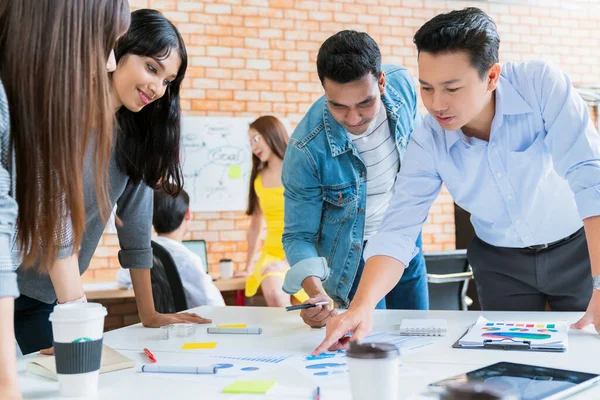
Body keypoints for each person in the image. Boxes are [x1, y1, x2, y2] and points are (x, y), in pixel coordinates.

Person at [316, 7, 600, 355]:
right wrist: (361, 307)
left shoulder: (541, 85)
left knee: (589, 354)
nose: (437, 104)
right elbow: (398, 229)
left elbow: (590, 178)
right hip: (500, 263)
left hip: (580, 251)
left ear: (492, 76)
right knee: (508, 367)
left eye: (452, 88)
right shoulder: (427, 139)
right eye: (426, 87)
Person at [15, 9, 211, 356]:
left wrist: (149, 313)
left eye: (167, 81)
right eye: (151, 67)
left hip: (46, 299)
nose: (157, 87)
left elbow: (137, 231)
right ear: (117, 50)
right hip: (12, 283)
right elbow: (54, 225)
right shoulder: (62, 114)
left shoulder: (135, 139)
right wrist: (76, 314)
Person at [0, 0, 130, 396]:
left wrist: (77, 311)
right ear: (61, 29)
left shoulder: (28, 106)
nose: (109, 63)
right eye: (104, 42)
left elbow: (53, 210)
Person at [281, 30, 428, 328]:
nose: (353, 118)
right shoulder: (307, 149)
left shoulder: (404, 86)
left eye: (364, 103)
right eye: (338, 106)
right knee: (373, 342)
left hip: (405, 235)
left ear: (382, 82)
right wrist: (316, 292)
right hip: (354, 255)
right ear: (324, 90)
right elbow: (298, 236)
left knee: (419, 333)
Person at [236, 116, 308, 307]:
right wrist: (247, 266)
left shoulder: (299, 170)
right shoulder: (258, 178)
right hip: (272, 253)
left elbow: (311, 221)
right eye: (250, 141)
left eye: (256, 139)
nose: (253, 146)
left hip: (302, 250)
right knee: (275, 292)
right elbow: (255, 227)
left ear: (272, 134)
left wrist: (287, 261)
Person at [117, 186, 225, 307]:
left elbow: (122, 279)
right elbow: (215, 304)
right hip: (188, 324)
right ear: (188, 214)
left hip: (161, 324)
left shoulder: (144, 251)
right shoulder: (186, 259)